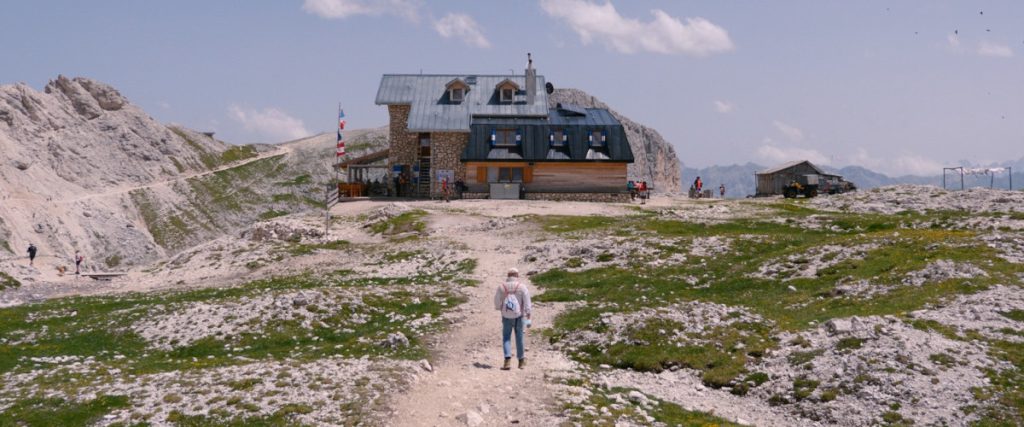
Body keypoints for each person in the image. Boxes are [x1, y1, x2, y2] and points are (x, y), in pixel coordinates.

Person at [494, 267, 531, 370]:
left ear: (508, 275)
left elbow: (497, 302)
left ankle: (507, 361)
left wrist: (500, 309)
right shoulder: (522, 287)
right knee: (519, 337)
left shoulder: (501, 287)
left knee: (506, 337)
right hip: (519, 316)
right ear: (517, 275)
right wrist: (528, 320)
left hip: (506, 316)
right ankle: (521, 361)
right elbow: (527, 305)